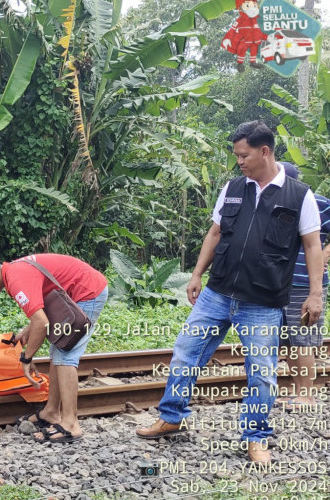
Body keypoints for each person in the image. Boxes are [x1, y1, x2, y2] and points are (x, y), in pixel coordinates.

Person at [136, 121, 324, 464]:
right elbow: (215, 233)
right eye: (237, 154)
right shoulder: (234, 187)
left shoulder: (299, 196)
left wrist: (315, 294)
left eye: (243, 154)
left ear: (264, 151)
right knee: (185, 353)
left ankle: (256, 437)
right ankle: (171, 417)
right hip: (218, 293)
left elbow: (312, 246)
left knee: (262, 374)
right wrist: (196, 274)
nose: (239, 161)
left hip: (263, 302)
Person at [0, 253, 108, 443]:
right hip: (76, 290)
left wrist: (27, 358)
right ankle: (51, 412)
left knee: (66, 354)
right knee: (58, 350)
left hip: (87, 292)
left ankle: (71, 424)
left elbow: (42, 322)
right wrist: (27, 331)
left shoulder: (16, 279)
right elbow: (41, 312)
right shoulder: (13, 272)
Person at [279, 163, 330, 410]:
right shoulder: (271, 201)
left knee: (303, 340)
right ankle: (298, 392)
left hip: (303, 282)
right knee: (287, 342)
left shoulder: (317, 201)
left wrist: (323, 256)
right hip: (277, 283)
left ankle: (307, 395)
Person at [221, 0, 266, 72]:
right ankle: (240, 63)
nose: (252, 8)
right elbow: (232, 29)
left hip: (253, 40)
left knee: (254, 48)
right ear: (240, 8)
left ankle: (253, 62)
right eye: (248, 6)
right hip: (243, 39)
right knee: (241, 49)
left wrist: (264, 37)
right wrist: (228, 38)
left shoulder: (255, 20)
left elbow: (258, 31)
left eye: (254, 6)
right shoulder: (240, 20)